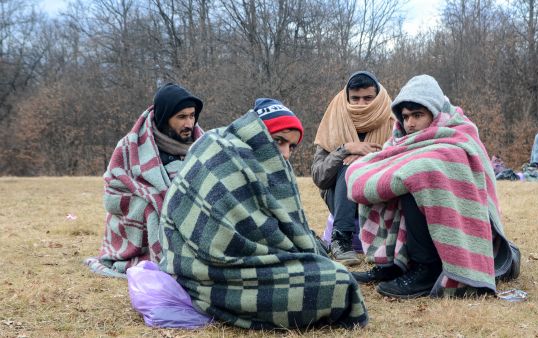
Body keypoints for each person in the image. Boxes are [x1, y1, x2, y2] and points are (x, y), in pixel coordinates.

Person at [159, 98, 368, 329]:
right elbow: (235, 237)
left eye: (292, 146)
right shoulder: (223, 153)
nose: (286, 154)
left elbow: (284, 228)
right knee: (337, 283)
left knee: (329, 273)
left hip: (218, 267)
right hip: (205, 270)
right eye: (279, 141)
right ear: (258, 134)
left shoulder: (263, 164)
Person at [347, 75, 520, 299]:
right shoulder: (401, 140)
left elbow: (441, 171)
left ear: (435, 113)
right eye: (406, 116)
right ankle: (395, 262)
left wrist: (412, 173)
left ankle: (427, 269)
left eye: (418, 115)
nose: (410, 123)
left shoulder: (457, 134)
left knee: (417, 176)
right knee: (394, 178)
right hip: (421, 222)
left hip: (452, 234)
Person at [85, 83, 205, 278]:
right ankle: (161, 257)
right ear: (165, 117)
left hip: (190, 217)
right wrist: (155, 198)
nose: (189, 124)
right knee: (150, 206)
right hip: (142, 218)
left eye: (192, 116)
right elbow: (113, 193)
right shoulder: (130, 146)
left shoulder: (203, 145)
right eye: (181, 117)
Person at [312, 71, 395, 266]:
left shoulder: (393, 122)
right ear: (346, 97)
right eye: (355, 99)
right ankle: (341, 239)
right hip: (340, 197)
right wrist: (345, 149)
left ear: (378, 97)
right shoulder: (333, 123)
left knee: (355, 164)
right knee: (347, 165)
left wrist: (368, 158)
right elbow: (319, 178)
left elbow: (401, 168)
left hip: (379, 196)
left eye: (368, 98)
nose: (361, 104)